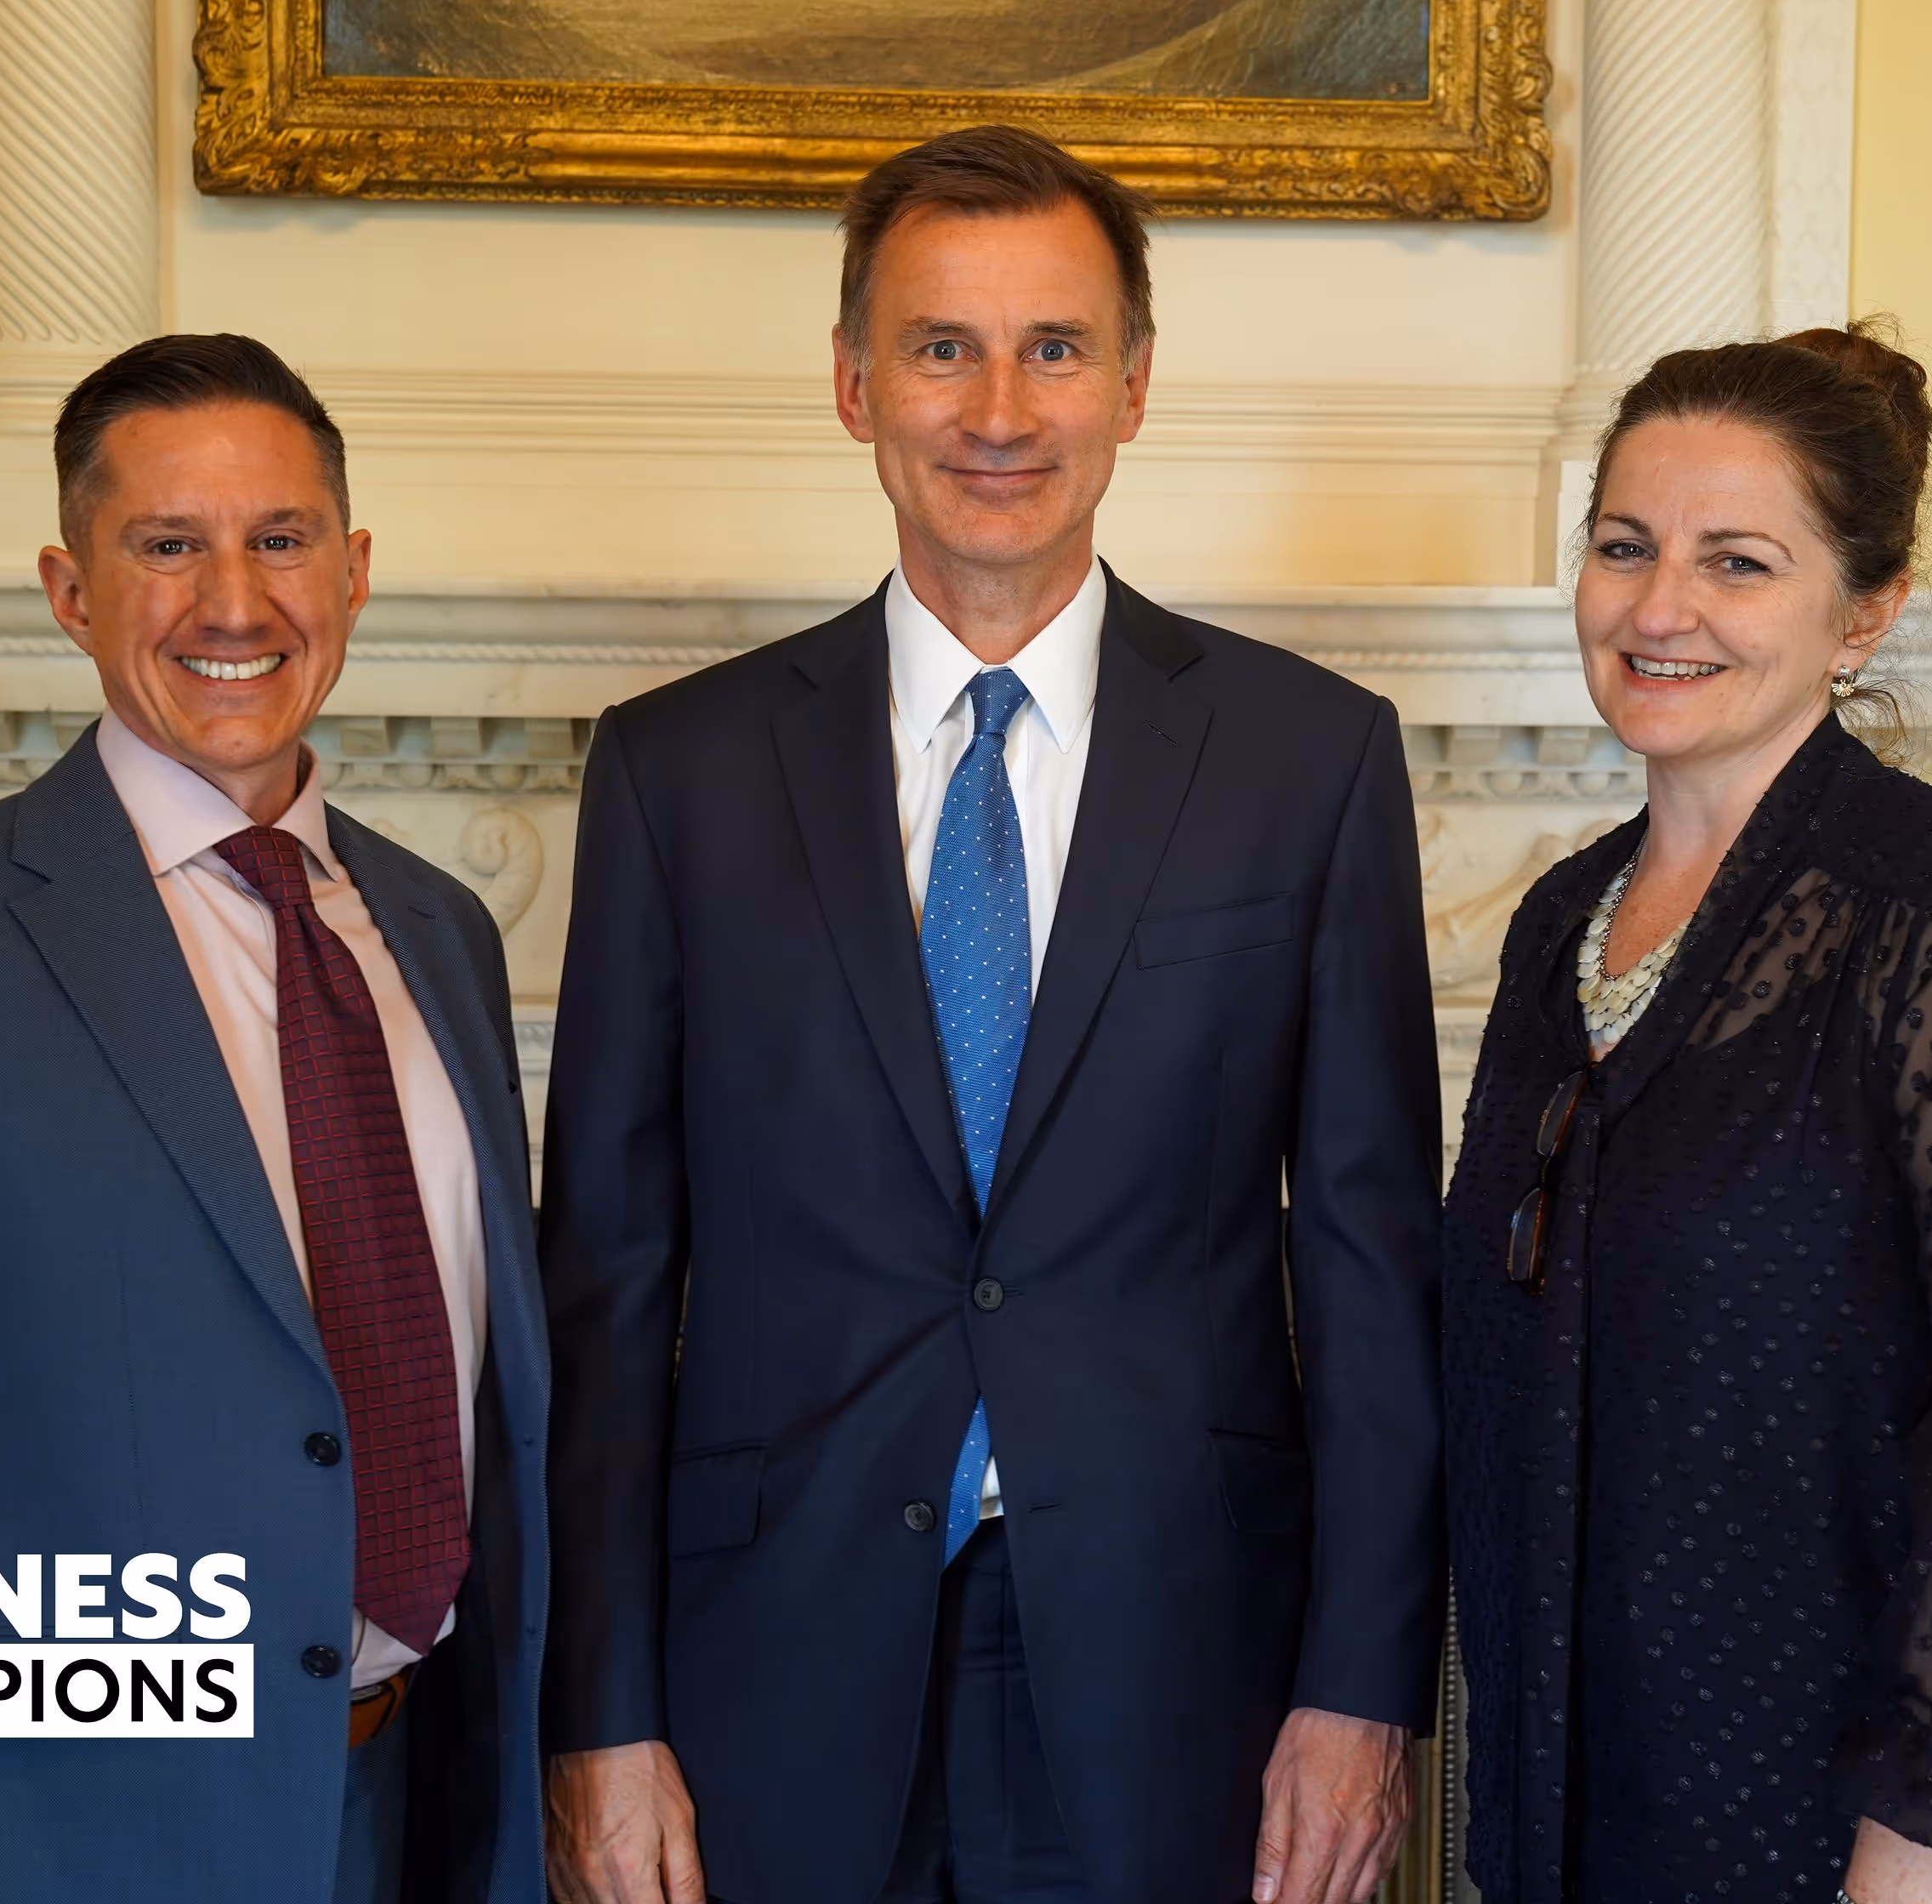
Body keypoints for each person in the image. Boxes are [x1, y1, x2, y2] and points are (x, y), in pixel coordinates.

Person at [539, 126, 1443, 1904]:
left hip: (1181, 1659)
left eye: (1056, 347)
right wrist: (601, 1708)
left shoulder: (1306, 762)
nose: (999, 408)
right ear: (853, 383)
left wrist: (1362, 1692)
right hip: (762, 1667)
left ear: (1135, 386)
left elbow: (1368, 1270)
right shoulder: (678, 772)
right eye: (942, 346)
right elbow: (610, 1281)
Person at [0, 334, 554, 1904]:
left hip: (425, 1816)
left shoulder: (438, 932)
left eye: (280, 540)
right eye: (167, 546)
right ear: (69, 588)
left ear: (354, 571)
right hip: (78, 1849)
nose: (234, 604)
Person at [1440, 327, 1932, 1904]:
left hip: (1912, 1849)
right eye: (1625, 548)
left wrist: (1905, 1874)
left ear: (1866, 615)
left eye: (1739, 563)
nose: (1662, 609)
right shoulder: (1561, 924)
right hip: (1618, 1799)